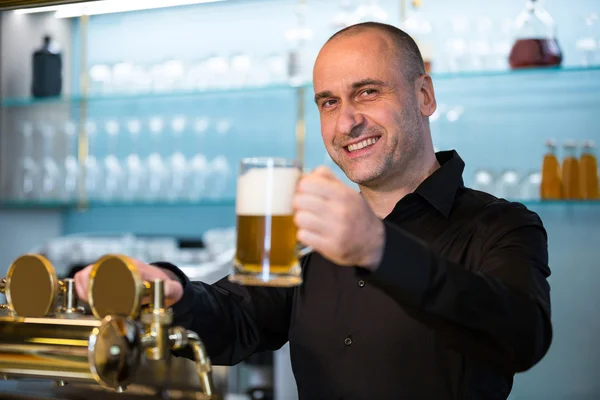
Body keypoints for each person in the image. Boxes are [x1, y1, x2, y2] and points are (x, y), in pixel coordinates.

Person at [75, 22, 552, 399]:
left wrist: (379, 249)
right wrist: (172, 292)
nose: (346, 121)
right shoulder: (305, 234)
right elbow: (238, 318)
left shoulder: (502, 226)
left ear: (424, 96)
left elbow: (520, 337)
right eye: (329, 101)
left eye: (367, 91)